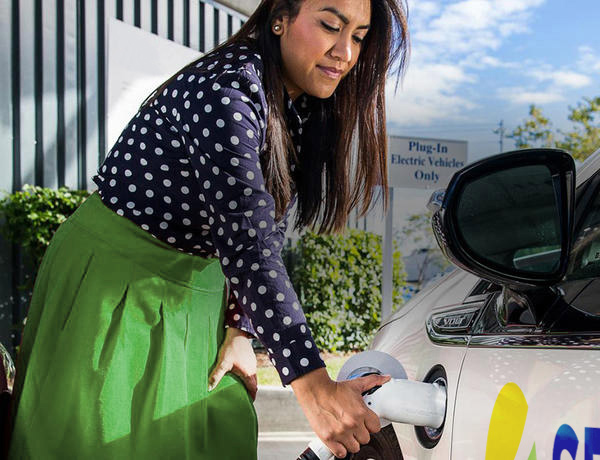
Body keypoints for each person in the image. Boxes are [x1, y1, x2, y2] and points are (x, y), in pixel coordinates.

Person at [6, 0, 409, 458]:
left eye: (358, 36)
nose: (344, 52)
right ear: (280, 17)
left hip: (198, 293)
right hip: (117, 283)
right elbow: (249, 245)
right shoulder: (228, 89)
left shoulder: (297, 109)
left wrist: (240, 329)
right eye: (330, 26)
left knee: (219, 429)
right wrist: (313, 386)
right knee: (105, 440)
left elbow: (266, 228)